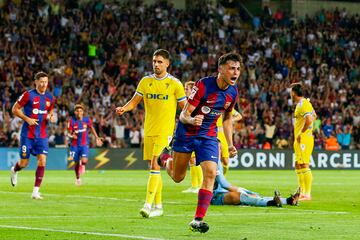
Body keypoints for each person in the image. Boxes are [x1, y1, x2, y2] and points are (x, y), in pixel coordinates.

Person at [158, 53, 242, 233]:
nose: (236, 72)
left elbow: (227, 119)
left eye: (238, 69)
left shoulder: (233, 92)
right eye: (231, 68)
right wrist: (191, 120)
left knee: (211, 173)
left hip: (208, 136)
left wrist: (230, 143)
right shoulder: (203, 85)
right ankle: (165, 159)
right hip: (186, 133)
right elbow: (184, 114)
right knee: (178, 177)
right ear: (220, 69)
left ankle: (197, 219)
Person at [116, 49, 186, 218]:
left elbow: (185, 108)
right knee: (154, 168)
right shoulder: (145, 81)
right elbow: (134, 101)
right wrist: (124, 109)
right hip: (149, 131)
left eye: (160, 61)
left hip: (165, 132)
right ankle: (159, 206)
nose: (156, 64)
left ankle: (147, 205)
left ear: (168, 63)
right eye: (154, 61)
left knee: (155, 165)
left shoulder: (175, 84)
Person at [10, 71, 56, 199]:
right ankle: (14, 170)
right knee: (24, 163)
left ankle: (35, 191)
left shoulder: (50, 98)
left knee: (42, 160)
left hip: (41, 135)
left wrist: (51, 116)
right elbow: (14, 109)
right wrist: (27, 119)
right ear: (35, 82)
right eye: (41, 81)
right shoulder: (28, 95)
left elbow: (50, 110)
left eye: (46, 82)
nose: (44, 84)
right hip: (27, 135)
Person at [211, 159, 300, 207]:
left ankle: (288, 201)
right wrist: (246, 192)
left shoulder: (217, 160)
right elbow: (224, 184)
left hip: (223, 193)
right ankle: (272, 203)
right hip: (215, 197)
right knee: (239, 196)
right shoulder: (212, 161)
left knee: (250, 196)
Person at [291, 83, 316, 201]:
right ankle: (301, 191)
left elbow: (310, 119)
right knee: (298, 164)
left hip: (303, 139)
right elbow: (314, 115)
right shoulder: (302, 104)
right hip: (299, 139)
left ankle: (307, 194)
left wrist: (302, 132)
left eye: (291, 92)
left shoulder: (304, 104)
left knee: (304, 164)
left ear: (293, 93)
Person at [68, 104, 103, 186]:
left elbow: (92, 128)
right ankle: (77, 178)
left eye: (80, 111)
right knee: (76, 163)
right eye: (77, 111)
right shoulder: (71, 121)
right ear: (75, 112)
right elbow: (68, 133)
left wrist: (97, 137)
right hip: (74, 145)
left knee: (84, 160)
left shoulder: (87, 120)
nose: (79, 112)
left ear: (83, 112)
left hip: (84, 144)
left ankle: (83, 165)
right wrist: (72, 135)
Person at [182, 81, 203, 194]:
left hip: (195, 133)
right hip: (188, 133)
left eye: (187, 89)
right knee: (191, 160)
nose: (185, 90)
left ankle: (199, 185)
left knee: (195, 160)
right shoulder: (186, 103)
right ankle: (194, 185)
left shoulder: (195, 103)